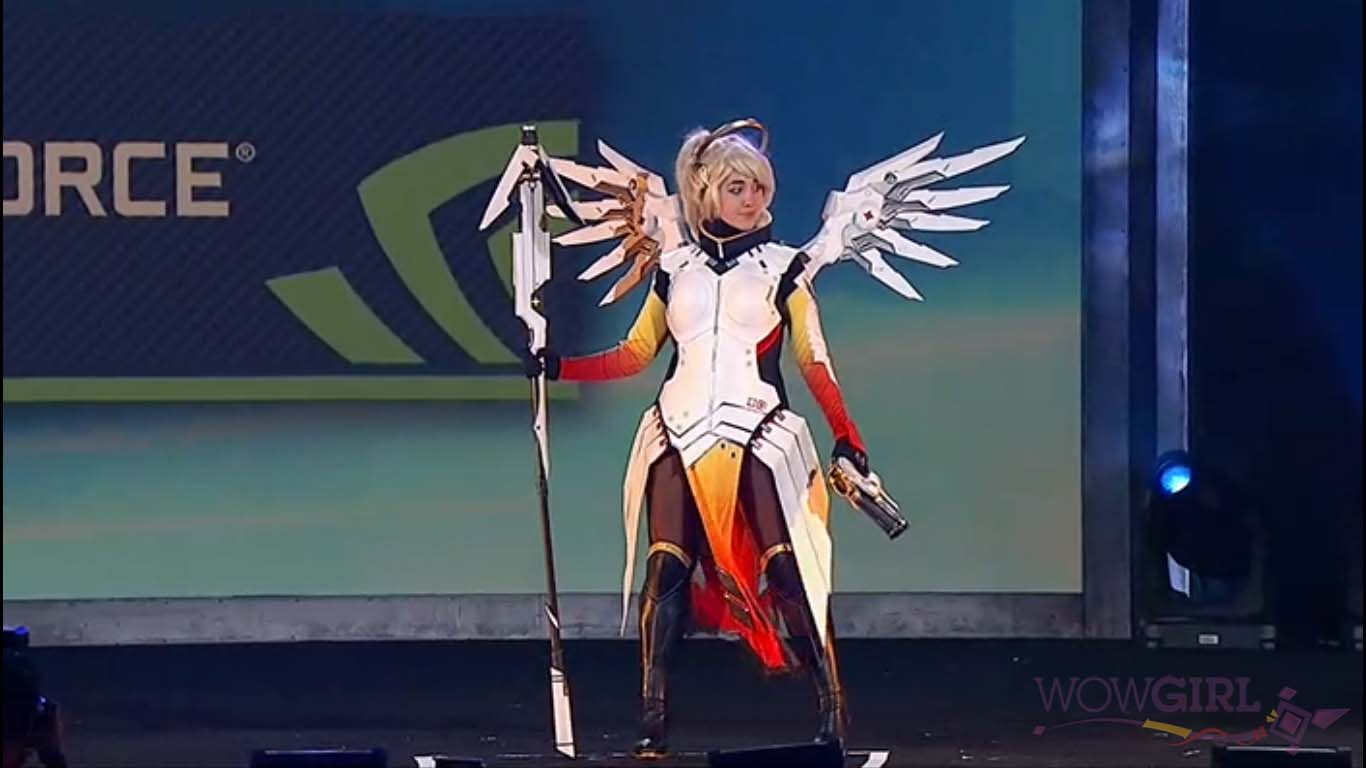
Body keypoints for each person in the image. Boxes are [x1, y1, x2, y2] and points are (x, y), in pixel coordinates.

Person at [524, 120, 867, 757]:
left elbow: (814, 360)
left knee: (788, 567)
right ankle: (653, 715)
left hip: (760, 432)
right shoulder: (674, 269)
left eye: (759, 188)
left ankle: (831, 706)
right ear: (706, 191)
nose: (751, 199)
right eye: (737, 187)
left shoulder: (785, 269)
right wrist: (559, 367)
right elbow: (634, 355)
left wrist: (849, 437)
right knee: (665, 570)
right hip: (676, 433)